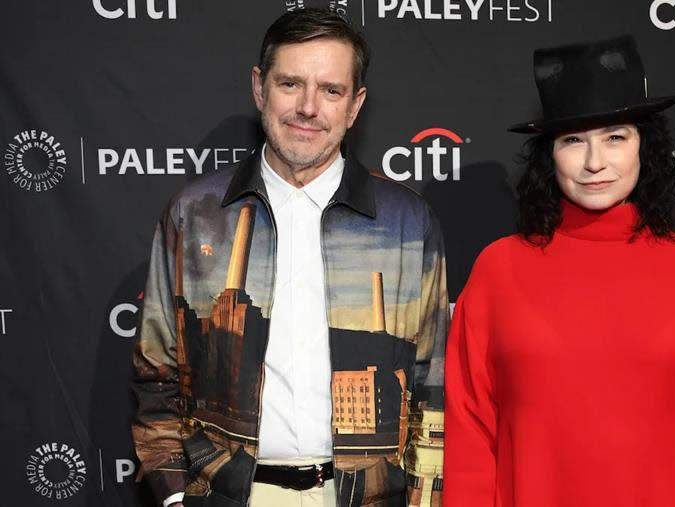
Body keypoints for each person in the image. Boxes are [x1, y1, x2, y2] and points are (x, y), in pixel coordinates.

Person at [132, 9, 448, 507]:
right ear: (260, 88)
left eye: (331, 90)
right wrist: (176, 495)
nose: (308, 107)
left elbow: (434, 381)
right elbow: (157, 375)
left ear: (355, 105)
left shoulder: (407, 221)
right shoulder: (195, 214)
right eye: (290, 84)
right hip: (231, 494)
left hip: (365, 497)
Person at [443, 35, 675, 506]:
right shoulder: (499, 268)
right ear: (548, 155)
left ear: (644, 147)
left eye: (615, 137)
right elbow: (470, 430)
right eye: (573, 140)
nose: (595, 163)